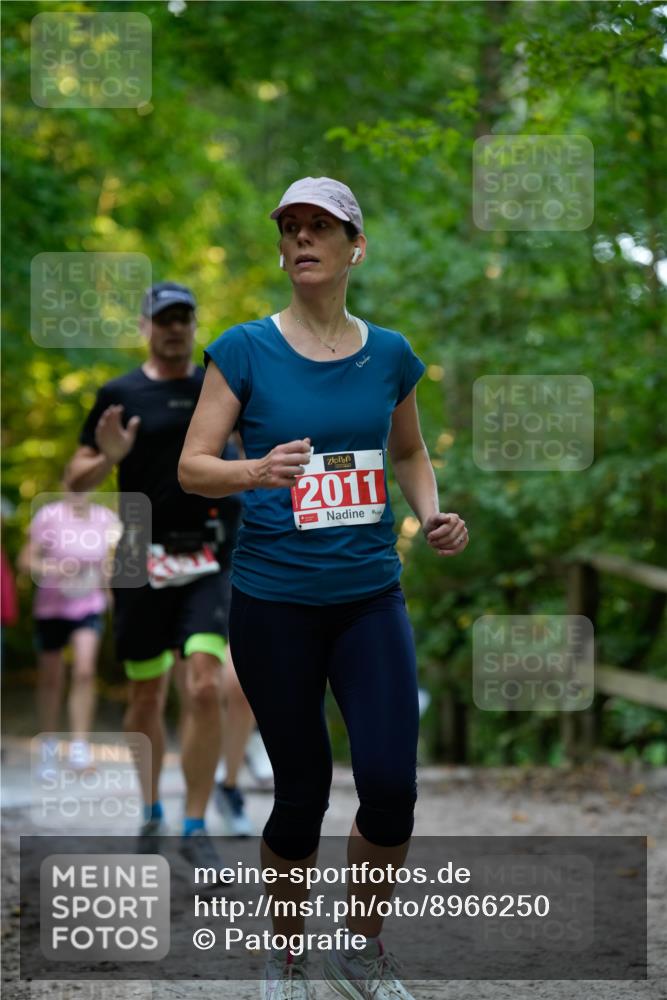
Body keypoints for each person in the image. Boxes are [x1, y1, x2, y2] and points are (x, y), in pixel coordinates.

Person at [179, 177, 469, 1000]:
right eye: (291, 227)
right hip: (274, 601)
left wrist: (434, 515)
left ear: (354, 247)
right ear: (281, 247)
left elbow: (408, 453)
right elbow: (192, 464)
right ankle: (285, 955)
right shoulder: (242, 348)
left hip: (369, 595)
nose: (303, 239)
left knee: (389, 786)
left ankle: (360, 947)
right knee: (300, 790)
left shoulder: (391, 354)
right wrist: (253, 470)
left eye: (321, 227)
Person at [65, 281, 257, 858]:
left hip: (210, 552)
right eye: (164, 318)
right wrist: (109, 457)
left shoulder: (217, 388)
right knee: (145, 695)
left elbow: (251, 459)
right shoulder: (118, 394)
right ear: (146, 325)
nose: (175, 327)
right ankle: (151, 813)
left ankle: (194, 826)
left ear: (195, 324)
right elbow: (75, 481)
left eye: (184, 318)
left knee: (204, 683)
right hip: (138, 554)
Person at [18, 490, 120, 770]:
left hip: (89, 605)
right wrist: (53, 566)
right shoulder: (48, 515)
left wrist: (115, 599)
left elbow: (110, 565)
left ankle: (79, 746)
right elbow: (26, 561)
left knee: (85, 671)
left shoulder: (104, 518)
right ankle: (49, 744)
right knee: (51, 678)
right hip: (51, 607)